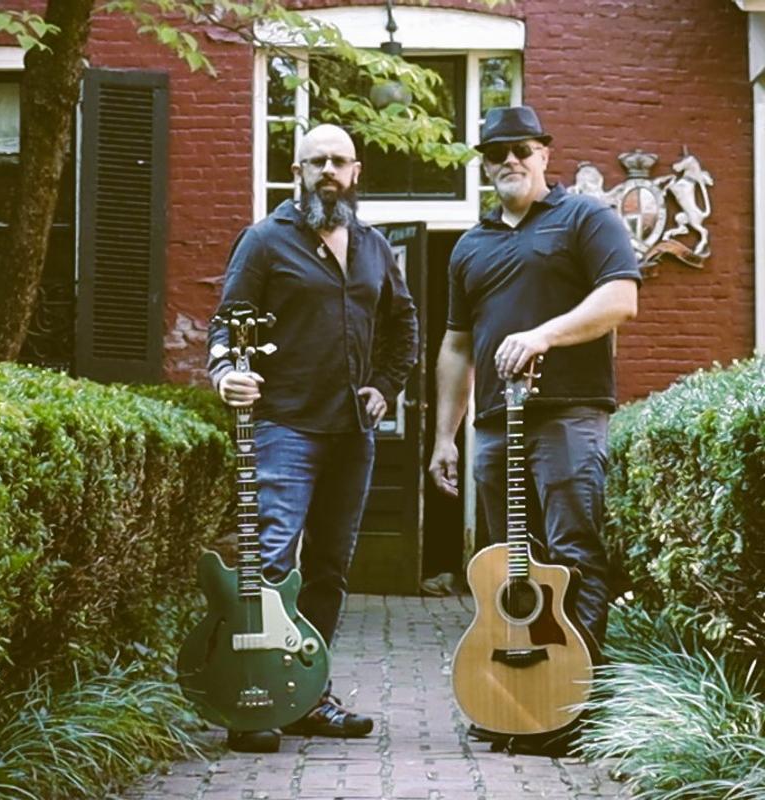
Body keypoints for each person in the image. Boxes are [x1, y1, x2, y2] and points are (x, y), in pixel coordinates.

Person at [208, 123, 419, 753]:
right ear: (297, 170)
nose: (328, 170)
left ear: (356, 173)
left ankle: (306, 695)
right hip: (285, 426)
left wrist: (386, 385)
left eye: (339, 161)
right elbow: (225, 323)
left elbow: (404, 324)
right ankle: (254, 697)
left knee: (329, 569)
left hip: (353, 433)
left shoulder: (374, 247)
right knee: (273, 562)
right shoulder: (265, 241)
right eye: (316, 160)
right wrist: (224, 374)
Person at [429, 104, 640, 659]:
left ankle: (575, 685)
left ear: (544, 154)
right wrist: (445, 436)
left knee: (573, 553)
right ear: (485, 165)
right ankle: (523, 684)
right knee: (508, 562)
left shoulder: (585, 218)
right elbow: (456, 345)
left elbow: (621, 298)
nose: (510, 161)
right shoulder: (470, 246)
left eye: (522, 149)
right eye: (496, 153)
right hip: (496, 423)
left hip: (569, 414)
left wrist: (544, 335)